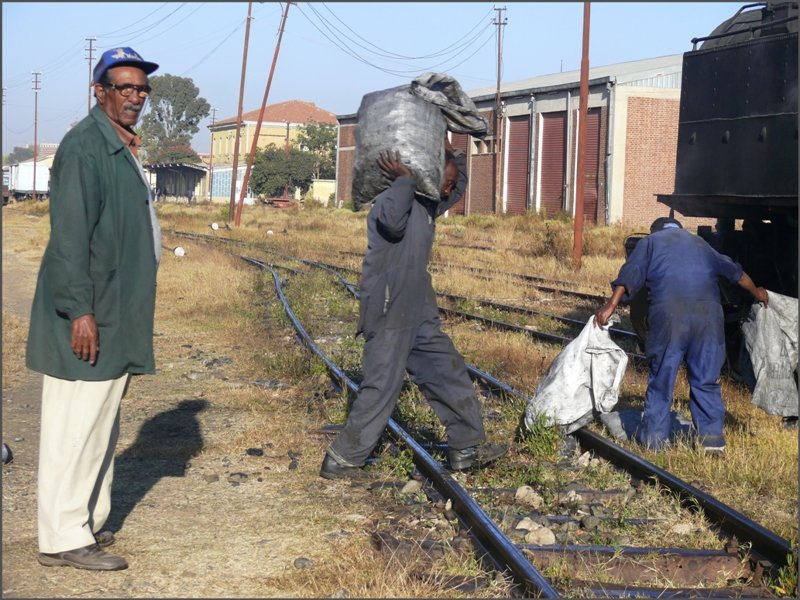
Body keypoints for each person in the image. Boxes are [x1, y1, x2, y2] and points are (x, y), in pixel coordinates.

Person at [25, 47, 161, 571]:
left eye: (141, 90)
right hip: (90, 315)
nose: (135, 98)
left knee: (100, 424)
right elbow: (69, 238)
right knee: (74, 428)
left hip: (115, 310)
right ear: (99, 91)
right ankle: (62, 536)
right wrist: (79, 311)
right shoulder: (85, 147)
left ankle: (84, 523)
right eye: (124, 88)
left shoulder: (118, 146)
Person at [320, 137, 507, 479]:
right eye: (445, 182)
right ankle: (342, 459)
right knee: (383, 385)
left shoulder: (427, 204)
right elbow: (392, 222)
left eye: (450, 184)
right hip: (390, 304)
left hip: (418, 305)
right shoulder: (393, 200)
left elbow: (458, 185)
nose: (449, 190)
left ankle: (467, 446)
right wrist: (405, 179)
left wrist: (455, 153)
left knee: (446, 370)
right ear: (425, 176)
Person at [594, 216, 769, 453]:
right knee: (706, 379)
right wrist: (757, 293)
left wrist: (611, 305)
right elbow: (737, 274)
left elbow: (630, 274)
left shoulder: (651, 242)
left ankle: (654, 442)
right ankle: (712, 441)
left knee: (662, 377)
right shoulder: (700, 243)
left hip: (669, 315)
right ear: (679, 229)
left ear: (654, 230)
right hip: (708, 317)